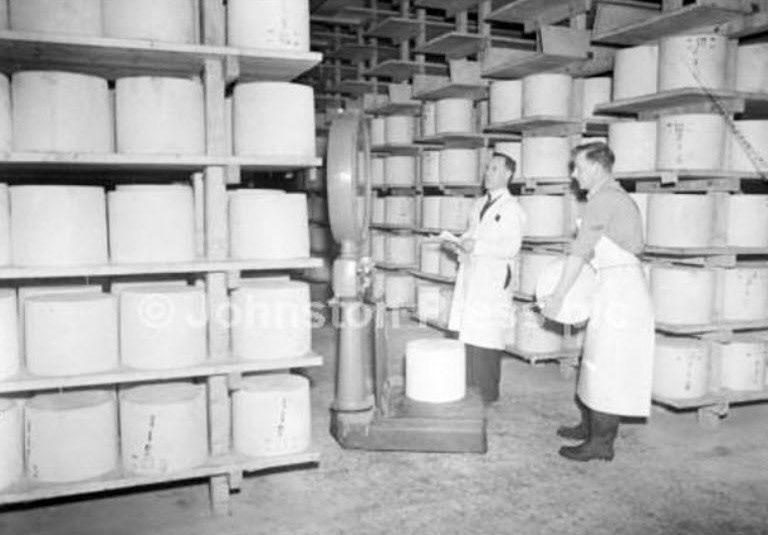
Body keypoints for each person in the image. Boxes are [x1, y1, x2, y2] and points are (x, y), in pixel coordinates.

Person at [541, 142, 654, 462]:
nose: (574, 175)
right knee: (595, 359)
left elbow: (580, 253)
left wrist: (558, 298)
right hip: (612, 284)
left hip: (621, 291)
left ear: (594, 167)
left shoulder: (605, 200)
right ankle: (591, 427)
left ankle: (602, 443)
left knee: (610, 366)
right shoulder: (609, 198)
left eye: (577, 167)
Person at [445, 152, 526, 404]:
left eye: (494, 169)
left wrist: (476, 247)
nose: (487, 173)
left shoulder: (513, 209)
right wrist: (458, 246)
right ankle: (470, 390)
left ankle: (487, 395)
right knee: (469, 334)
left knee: (487, 337)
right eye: (487, 168)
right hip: (473, 275)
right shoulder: (479, 204)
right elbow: (472, 235)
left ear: (508, 174)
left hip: (492, 280)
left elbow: (510, 247)